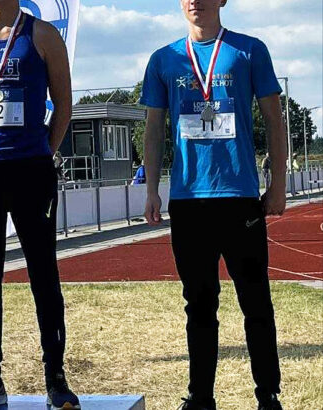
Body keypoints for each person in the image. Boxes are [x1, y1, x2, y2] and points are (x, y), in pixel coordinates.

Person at [140, 1, 286, 409]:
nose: (195, 1)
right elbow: (153, 128)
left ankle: (268, 395)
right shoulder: (163, 59)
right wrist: (152, 188)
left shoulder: (249, 51)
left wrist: (278, 184)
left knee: (255, 300)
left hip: (239, 198)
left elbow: (275, 119)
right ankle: (201, 397)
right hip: (188, 200)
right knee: (198, 304)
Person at [0, 0, 79, 408]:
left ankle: (55, 377)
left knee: (43, 271)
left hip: (30, 171)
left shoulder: (43, 35)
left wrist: (41, 153)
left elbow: (63, 104)